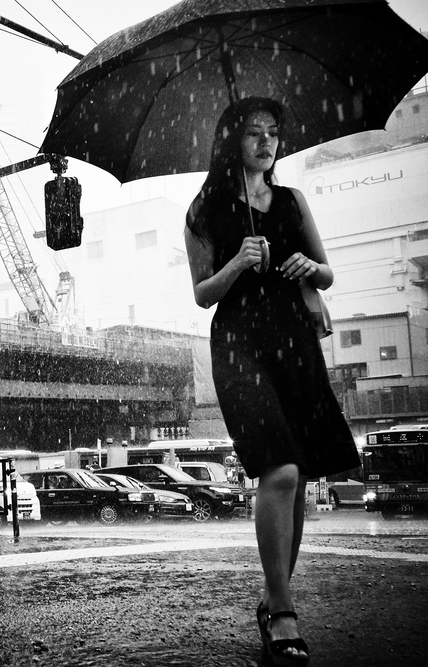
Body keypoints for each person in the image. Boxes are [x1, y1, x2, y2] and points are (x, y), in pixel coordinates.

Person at [184, 97, 360, 667]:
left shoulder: (291, 201)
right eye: (254, 133)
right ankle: (282, 609)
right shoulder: (204, 210)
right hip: (239, 342)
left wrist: (312, 271)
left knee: (301, 472)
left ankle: (273, 597)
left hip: (294, 342)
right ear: (232, 141)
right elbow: (202, 292)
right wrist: (237, 261)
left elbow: (327, 271)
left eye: (273, 134)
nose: (266, 142)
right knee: (278, 466)